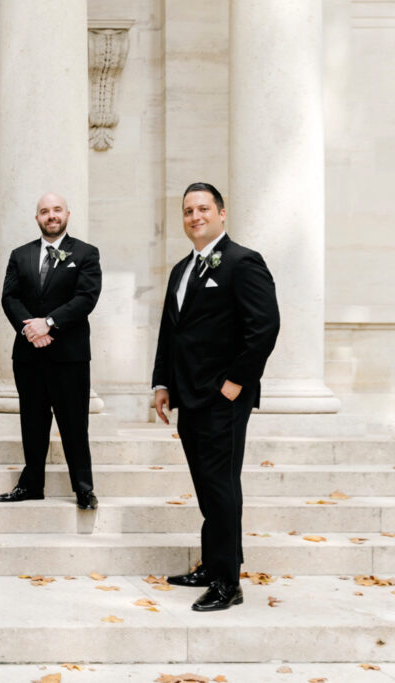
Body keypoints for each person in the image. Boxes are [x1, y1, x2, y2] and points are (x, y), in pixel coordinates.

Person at [153, 182, 280, 612]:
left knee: (222, 488)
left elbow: (264, 327)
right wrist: (161, 383)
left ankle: (228, 582)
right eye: (188, 210)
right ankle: (212, 564)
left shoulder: (243, 263)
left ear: (222, 214)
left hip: (224, 398)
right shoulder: (181, 270)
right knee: (207, 488)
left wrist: (236, 383)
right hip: (188, 396)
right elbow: (171, 331)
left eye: (203, 208)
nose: (195, 217)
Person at [0, 192, 101, 510]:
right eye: (44, 211)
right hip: (29, 354)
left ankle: (83, 488)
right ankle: (32, 484)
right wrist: (30, 329)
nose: (51, 215)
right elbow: (9, 297)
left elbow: (86, 298)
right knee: (32, 421)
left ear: (67, 213)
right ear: (37, 217)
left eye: (57, 210)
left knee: (74, 424)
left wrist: (50, 323)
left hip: (69, 355)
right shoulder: (20, 254)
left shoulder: (85, 253)